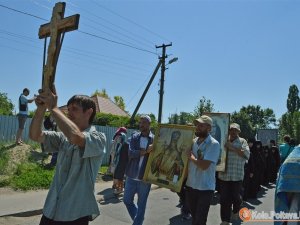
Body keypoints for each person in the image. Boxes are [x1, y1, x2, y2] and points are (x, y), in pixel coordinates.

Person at [29, 87, 106, 225]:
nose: (69, 113)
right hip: (51, 209)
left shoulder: (98, 138)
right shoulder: (63, 137)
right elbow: (35, 135)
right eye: (68, 109)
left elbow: (76, 137)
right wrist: (42, 108)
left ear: (89, 112)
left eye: (74, 109)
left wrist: (53, 107)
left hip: (74, 214)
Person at [185, 115, 221, 225]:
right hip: (191, 185)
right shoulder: (193, 142)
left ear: (209, 128)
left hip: (205, 188)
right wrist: (176, 183)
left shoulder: (213, 144)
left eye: (201, 125)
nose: (197, 127)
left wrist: (191, 157)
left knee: (200, 220)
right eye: (197, 125)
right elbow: (185, 164)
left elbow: (204, 165)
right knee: (195, 217)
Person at [123, 115, 154, 225]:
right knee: (126, 200)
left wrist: (140, 151)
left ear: (149, 124)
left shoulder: (154, 140)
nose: (141, 125)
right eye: (140, 122)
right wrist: (146, 151)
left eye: (144, 123)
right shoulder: (134, 137)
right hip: (131, 176)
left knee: (142, 205)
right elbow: (130, 153)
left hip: (145, 179)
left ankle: (138, 222)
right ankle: (139, 220)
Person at [218, 123, 250, 225]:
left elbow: (246, 154)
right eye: (231, 129)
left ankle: (236, 208)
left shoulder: (242, 141)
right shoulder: (223, 140)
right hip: (224, 175)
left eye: (235, 130)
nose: (233, 131)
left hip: (237, 176)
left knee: (236, 197)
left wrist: (231, 147)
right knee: (224, 200)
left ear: (239, 132)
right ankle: (225, 220)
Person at [275, 145, 300, 225]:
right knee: (295, 205)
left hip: (286, 185)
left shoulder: (294, 152)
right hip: (292, 186)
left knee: (290, 205)